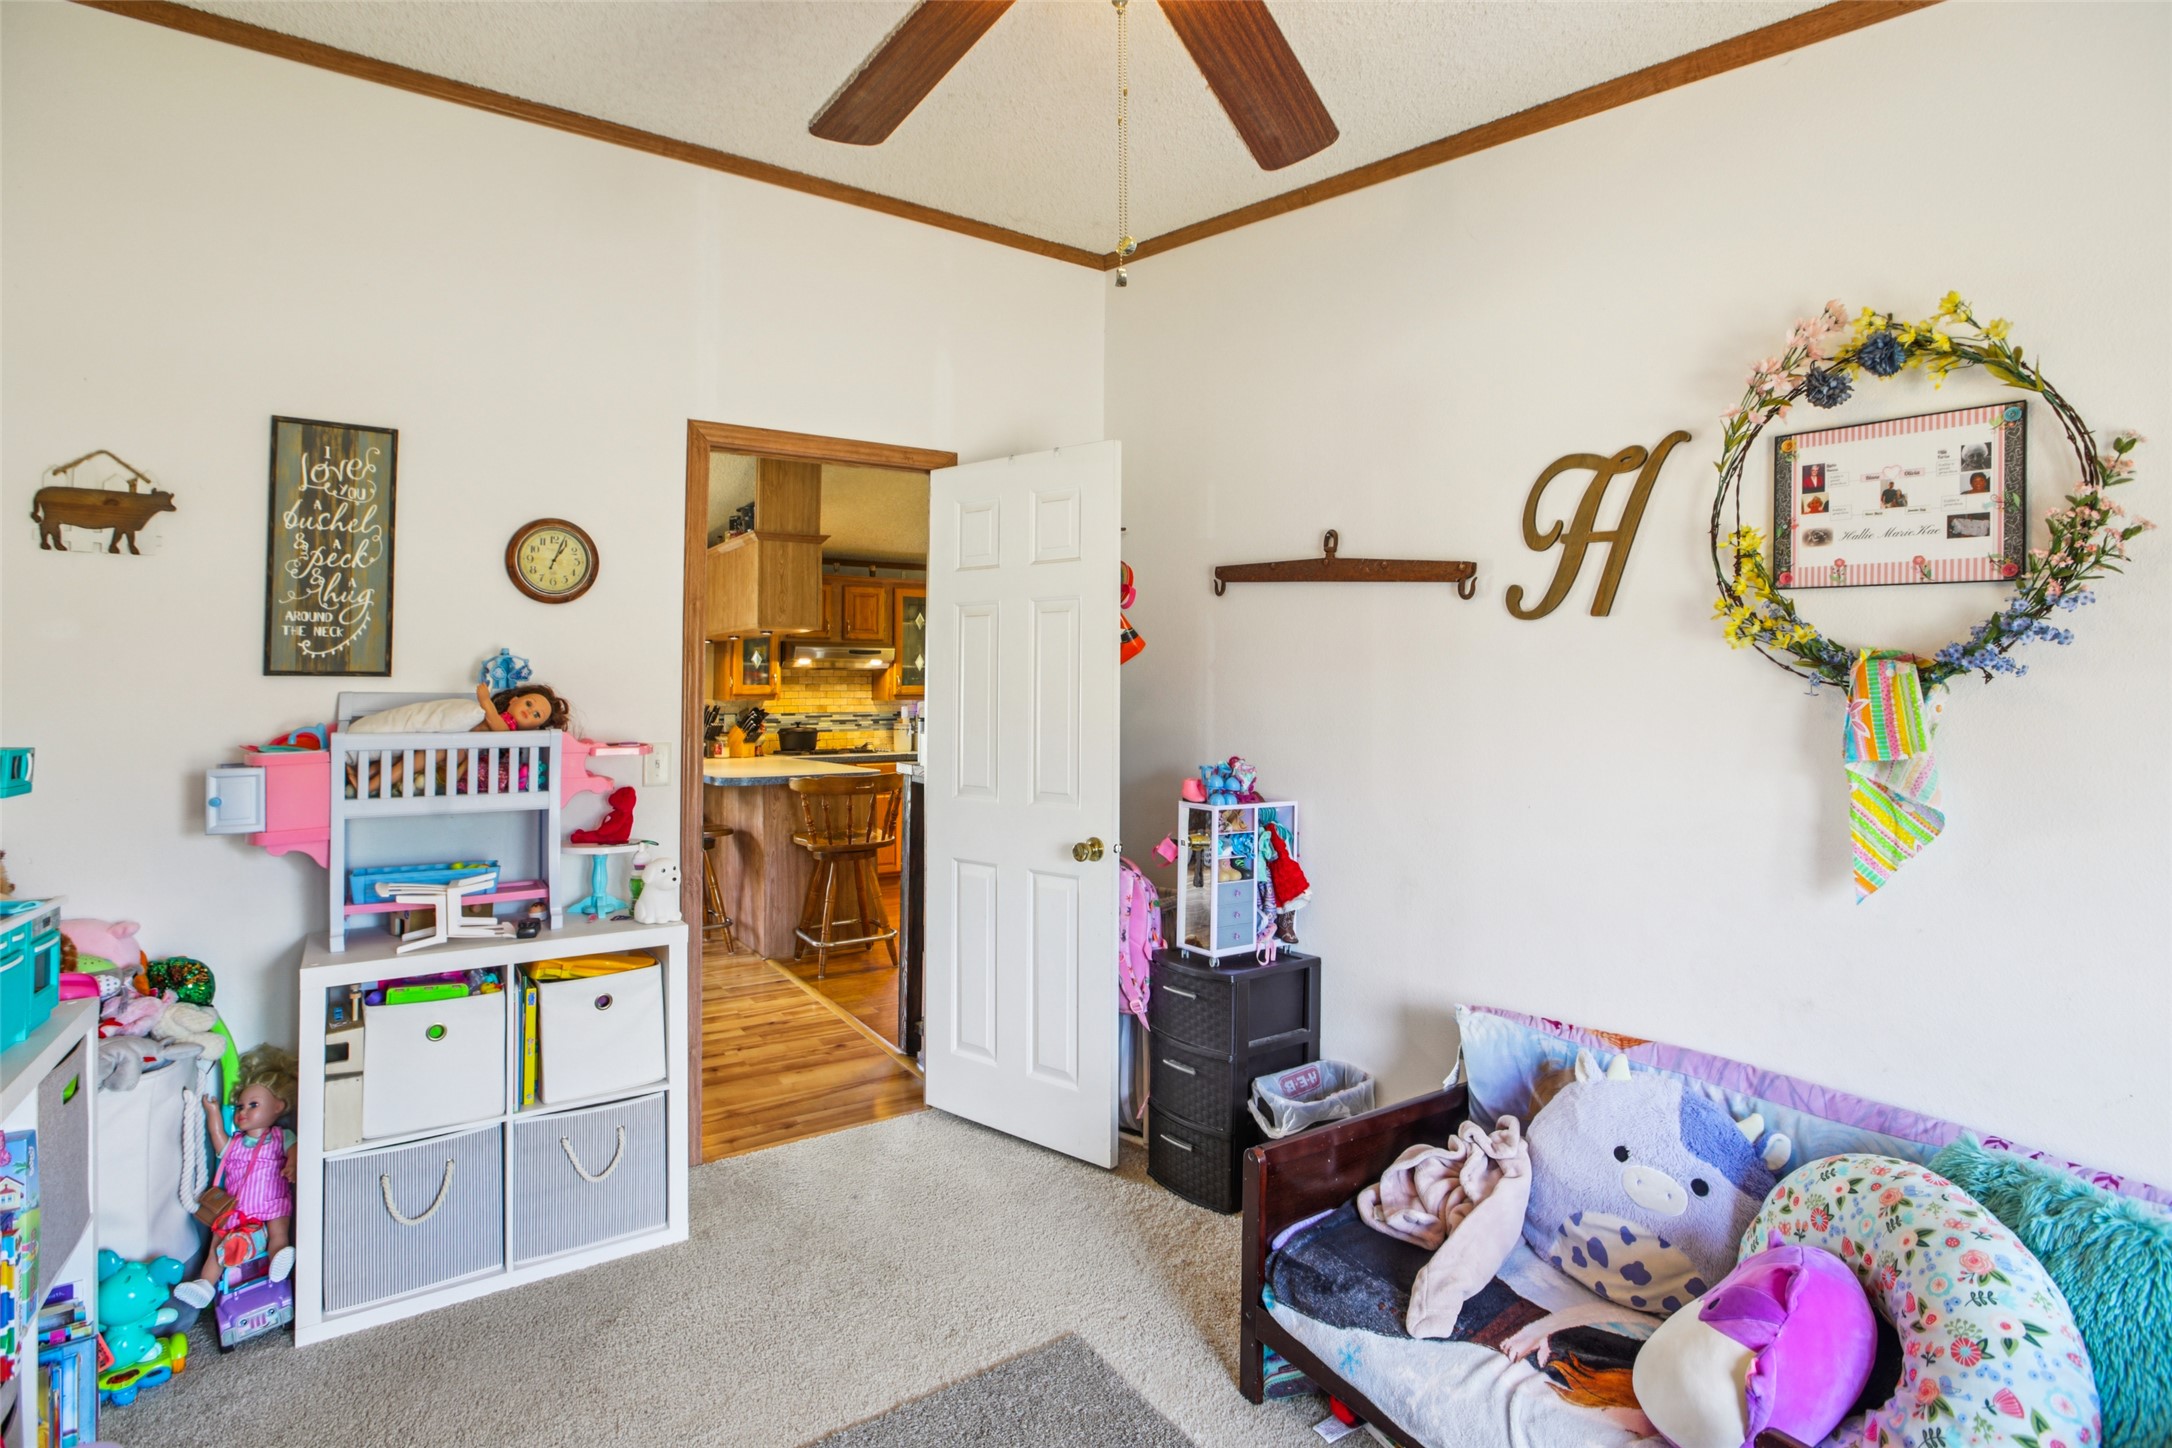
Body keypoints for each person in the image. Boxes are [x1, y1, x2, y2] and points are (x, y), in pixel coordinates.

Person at [174, 1047, 298, 1309]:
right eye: (240, 1106)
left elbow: (295, 1148)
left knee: (278, 1232)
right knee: (217, 1244)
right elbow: (218, 1138)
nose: (243, 1111)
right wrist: (213, 1112)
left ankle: (279, 1260)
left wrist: (293, 1163)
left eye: (253, 1105)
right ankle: (205, 1285)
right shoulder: (238, 1142)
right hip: (237, 1207)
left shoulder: (279, 1136)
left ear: (278, 1106)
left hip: (271, 1202)